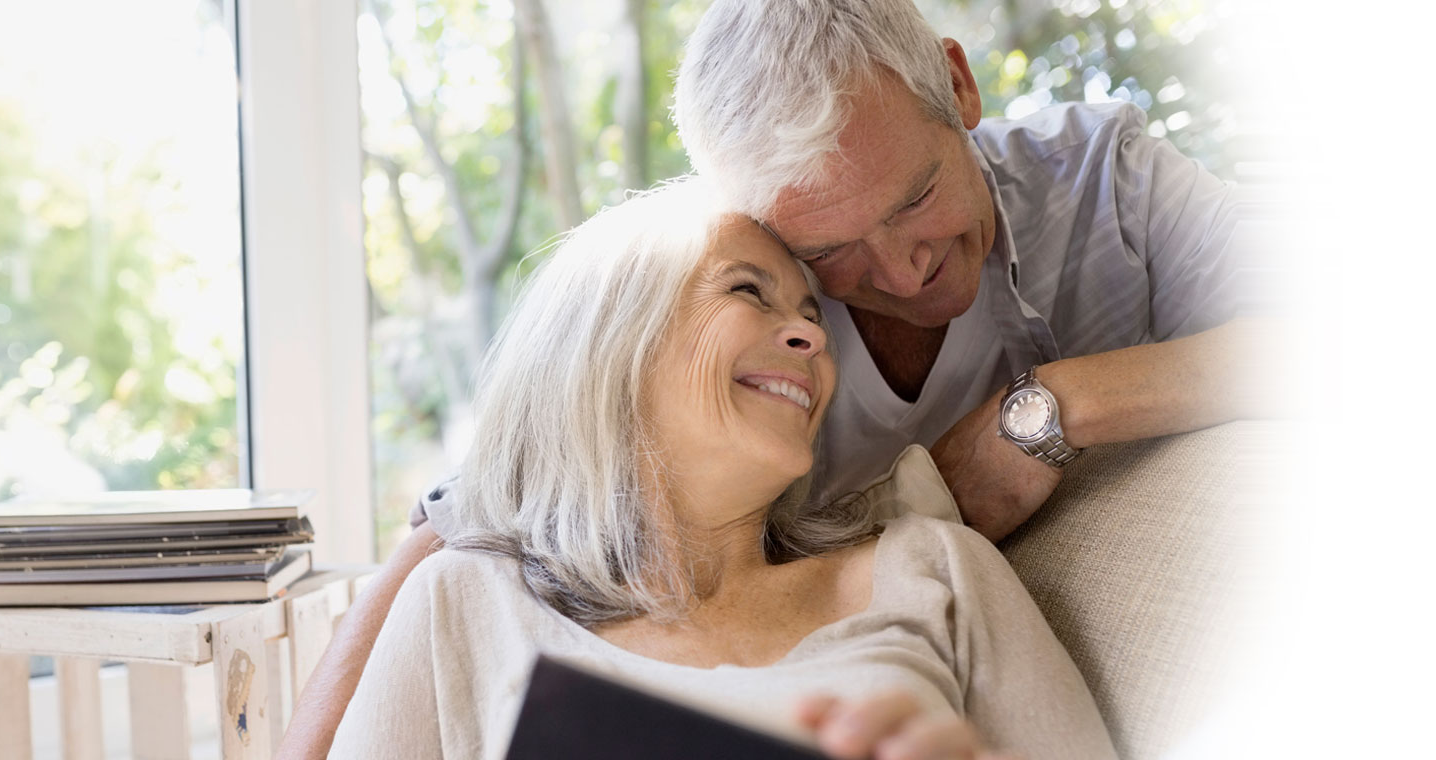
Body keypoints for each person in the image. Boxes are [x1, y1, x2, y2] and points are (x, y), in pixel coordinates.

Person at [279, 1, 1260, 754]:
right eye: (824, 254)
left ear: (960, 87)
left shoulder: (1103, 191)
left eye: (917, 197)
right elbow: (460, 518)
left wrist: (1051, 409)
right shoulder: (475, 600)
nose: (899, 269)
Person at [324, 178, 1115, 759]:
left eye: (811, 313)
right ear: (608, 346)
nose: (811, 338)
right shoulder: (462, 601)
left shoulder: (935, 570)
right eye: (749, 293)